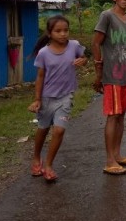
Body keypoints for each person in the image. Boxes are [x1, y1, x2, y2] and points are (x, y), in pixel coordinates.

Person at [28, 15, 87, 182]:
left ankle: (48, 165)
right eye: (58, 31)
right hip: (46, 98)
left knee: (59, 130)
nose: (63, 34)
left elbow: (84, 58)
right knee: (43, 129)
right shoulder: (43, 53)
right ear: (49, 33)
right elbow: (40, 77)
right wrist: (37, 99)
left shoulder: (74, 46)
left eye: (66, 30)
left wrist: (83, 60)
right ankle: (36, 157)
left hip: (65, 96)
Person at [92, 0, 126, 175]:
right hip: (112, 75)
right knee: (112, 116)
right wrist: (99, 72)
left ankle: (118, 155)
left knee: (121, 115)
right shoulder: (107, 16)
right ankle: (109, 161)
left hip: (125, 74)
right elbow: (96, 43)